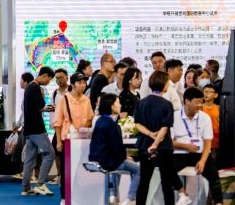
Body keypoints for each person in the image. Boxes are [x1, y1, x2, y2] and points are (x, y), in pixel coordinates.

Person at [171, 87, 222, 205]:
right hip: (180, 154)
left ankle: (219, 202)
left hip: (200, 154)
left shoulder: (205, 118)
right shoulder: (174, 117)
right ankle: (182, 193)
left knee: (214, 174)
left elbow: (208, 142)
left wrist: (203, 161)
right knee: (166, 166)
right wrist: (185, 146)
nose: (200, 106)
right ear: (187, 101)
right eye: (197, 102)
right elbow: (169, 141)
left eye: (201, 102)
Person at [134, 70, 178, 205]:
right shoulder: (167, 104)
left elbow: (137, 124)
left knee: (144, 181)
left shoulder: (141, 102)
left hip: (144, 145)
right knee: (167, 183)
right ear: (163, 83)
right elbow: (165, 128)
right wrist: (156, 144)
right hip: (164, 147)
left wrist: (149, 134)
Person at [89, 93, 140, 205]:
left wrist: (123, 157)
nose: (120, 105)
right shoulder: (112, 125)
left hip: (97, 159)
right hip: (108, 161)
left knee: (119, 164)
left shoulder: (100, 120)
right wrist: (125, 157)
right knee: (139, 169)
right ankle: (131, 198)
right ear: (111, 106)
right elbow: (116, 147)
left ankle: (113, 196)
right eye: (118, 103)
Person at [53, 72, 95, 201]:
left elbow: (90, 118)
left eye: (84, 82)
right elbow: (58, 122)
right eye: (79, 82)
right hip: (67, 140)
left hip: (82, 140)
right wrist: (58, 141)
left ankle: (79, 197)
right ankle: (64, 198)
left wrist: (84, 128)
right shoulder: (64, 99)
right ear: (72, 84)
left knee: (80, 169)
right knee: (66, 170)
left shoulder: (86, 100)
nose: (83, 85)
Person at [20, 66, 56, 197]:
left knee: (29, 158)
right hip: (37, 128)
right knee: (50, 153)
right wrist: (51, 108)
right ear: (44, 75)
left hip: (29, 129)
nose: (48, 82)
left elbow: (36, 107)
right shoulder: (35, 88)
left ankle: (26, 187)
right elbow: (41, 107)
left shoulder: (29, 87)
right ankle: (40, 184)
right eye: (49, 79)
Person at [201, 82, 220, 154]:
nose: (207, 94)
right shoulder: (199, 108)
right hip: (203, 141)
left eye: (210, 92)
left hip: (216, 141)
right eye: (205, 92)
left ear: (216, 95)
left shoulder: (218, 108)